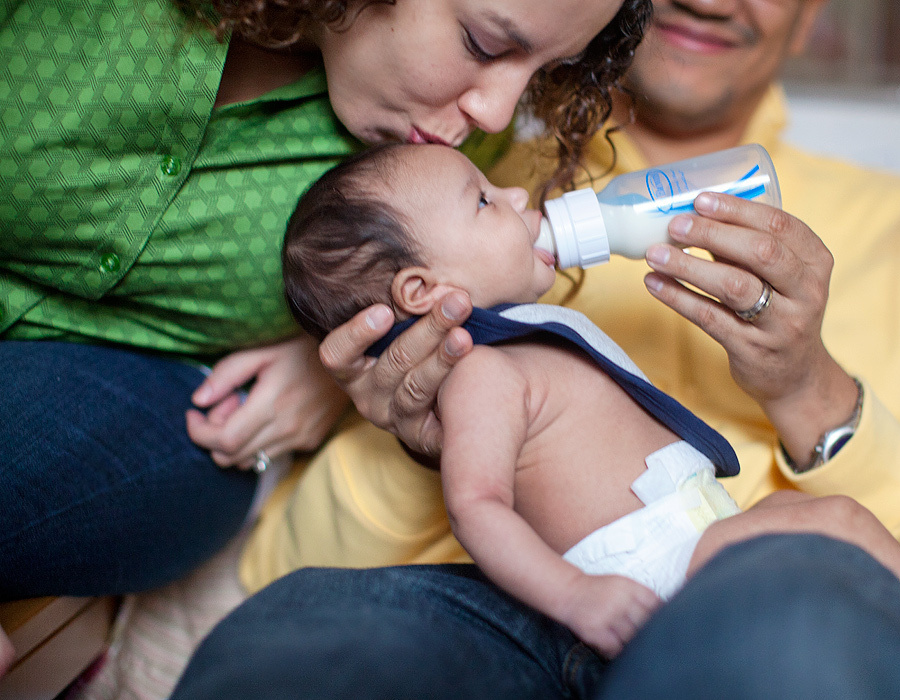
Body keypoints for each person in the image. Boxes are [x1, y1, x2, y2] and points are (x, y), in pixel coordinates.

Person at [171, 0, 900, 697]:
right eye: (488, 198)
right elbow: (281, 571)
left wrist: (810, 389)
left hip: (741, 579)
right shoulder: (448, 149)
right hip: (501, 603)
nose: (518, 201)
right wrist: (398, 423)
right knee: (300, 648)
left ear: (812, 16)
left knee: (806, 618)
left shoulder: (882, 222)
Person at [0, 0, 646, 606]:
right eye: (481, 43)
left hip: (156, 392)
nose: (500, 113)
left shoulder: (450, 154)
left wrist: (327, 366)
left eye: (544, 71)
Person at [283, 141, 900, 657]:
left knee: (830, 541)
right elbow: (476, 506)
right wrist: (573, 594)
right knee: (834, 525)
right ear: (423, 290)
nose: (519, 197)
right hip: (642, 567)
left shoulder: (530, 342)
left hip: (693, 536)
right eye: (482, 200)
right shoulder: (481, 377)